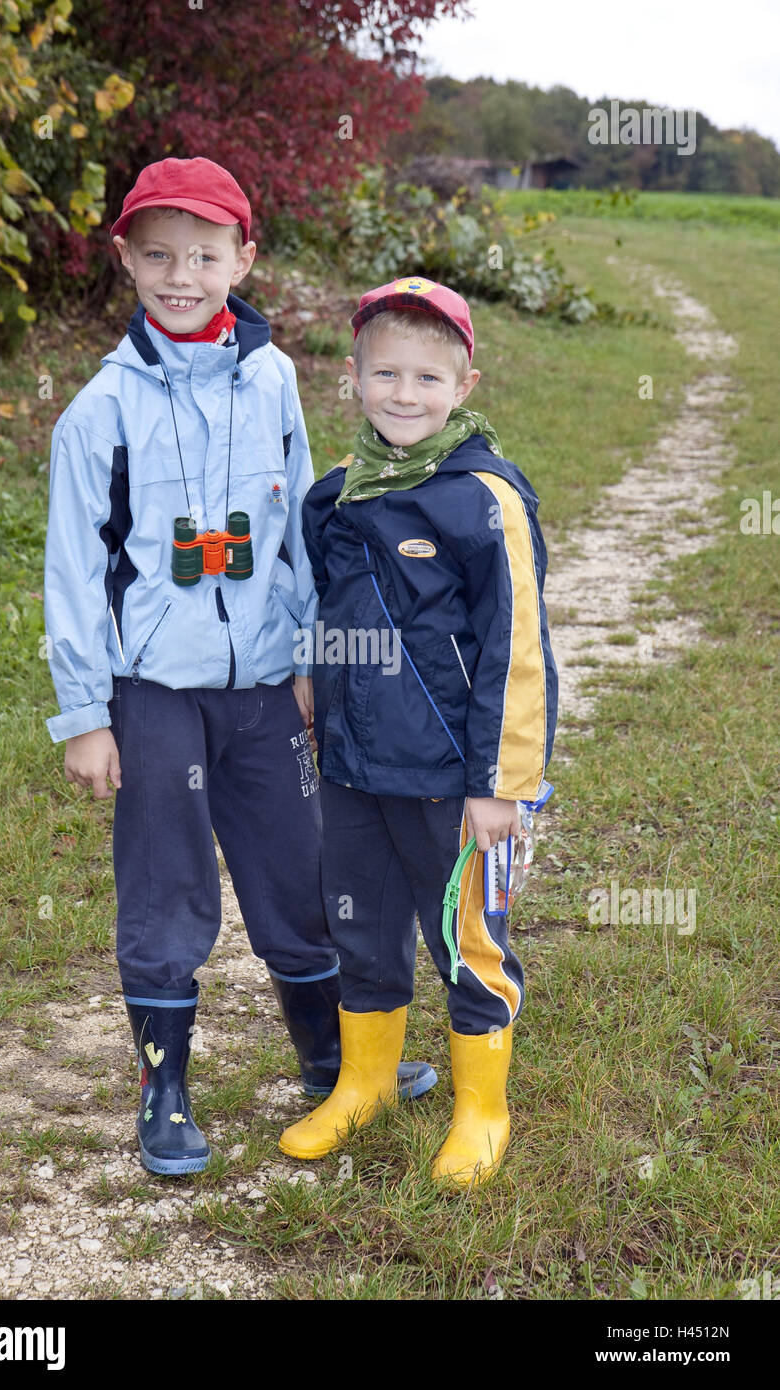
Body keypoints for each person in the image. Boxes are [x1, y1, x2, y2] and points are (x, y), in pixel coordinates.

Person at [42, 161, 434, 1177]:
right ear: (125, 258)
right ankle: (163, 1084)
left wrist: (309, 655)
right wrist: (88, 713)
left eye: (205, 255)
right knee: (167, 886)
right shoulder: (98, 411)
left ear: (242, 259)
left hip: (264, 686)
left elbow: (304, 519)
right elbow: (75, 575)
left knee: (297, 864)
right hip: (155, 695)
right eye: (159, 255)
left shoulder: (272, 379)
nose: (182, 275)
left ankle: (326, 1052)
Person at [278, 276, 557, 1185]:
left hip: (452, 779)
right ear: (353, 379)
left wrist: (499, 784)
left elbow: (518, 651)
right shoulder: (335, 496)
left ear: (464, 386)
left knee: (465, 936)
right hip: (354, 766)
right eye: (385, 373)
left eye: (427, 379)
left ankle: (482, 1103)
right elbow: (327, 605)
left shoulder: (484, 500)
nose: (405, 394)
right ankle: (365, 1081)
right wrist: (313, 681)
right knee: (360, 922)